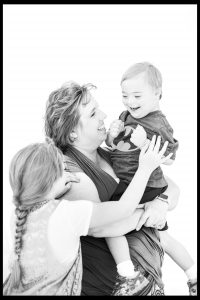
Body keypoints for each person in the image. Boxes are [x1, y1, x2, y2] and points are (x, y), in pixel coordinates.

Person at [44, 81, 180, 295]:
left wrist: (160, 204)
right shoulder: (68, 171)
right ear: (72, 133)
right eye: (92, 114)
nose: (104, 115)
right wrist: (148, 212)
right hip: (103, 287)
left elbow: (170, 187)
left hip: (147, 284)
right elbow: (101, 226)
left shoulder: (111, 153)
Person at [3, 136, 169, 295]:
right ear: (52, 179)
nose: (68, 171)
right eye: (63, 168)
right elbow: (123, 209)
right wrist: (145, 169)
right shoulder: (68, 214)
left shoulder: (17, 215)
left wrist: (56, 186)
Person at [105, 62, 197, 296]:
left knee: (109, 225)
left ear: (157, 94)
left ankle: (127, 275)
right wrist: (111, 134)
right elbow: (116, 147)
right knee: (163, 238)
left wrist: (145, 143)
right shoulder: (126, 115)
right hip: (130, 183)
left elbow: (169, 158)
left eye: (137, 95)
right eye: (125, 95)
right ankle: (194, 275)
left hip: (143, 186)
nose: (129, 101)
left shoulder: (158, 122)